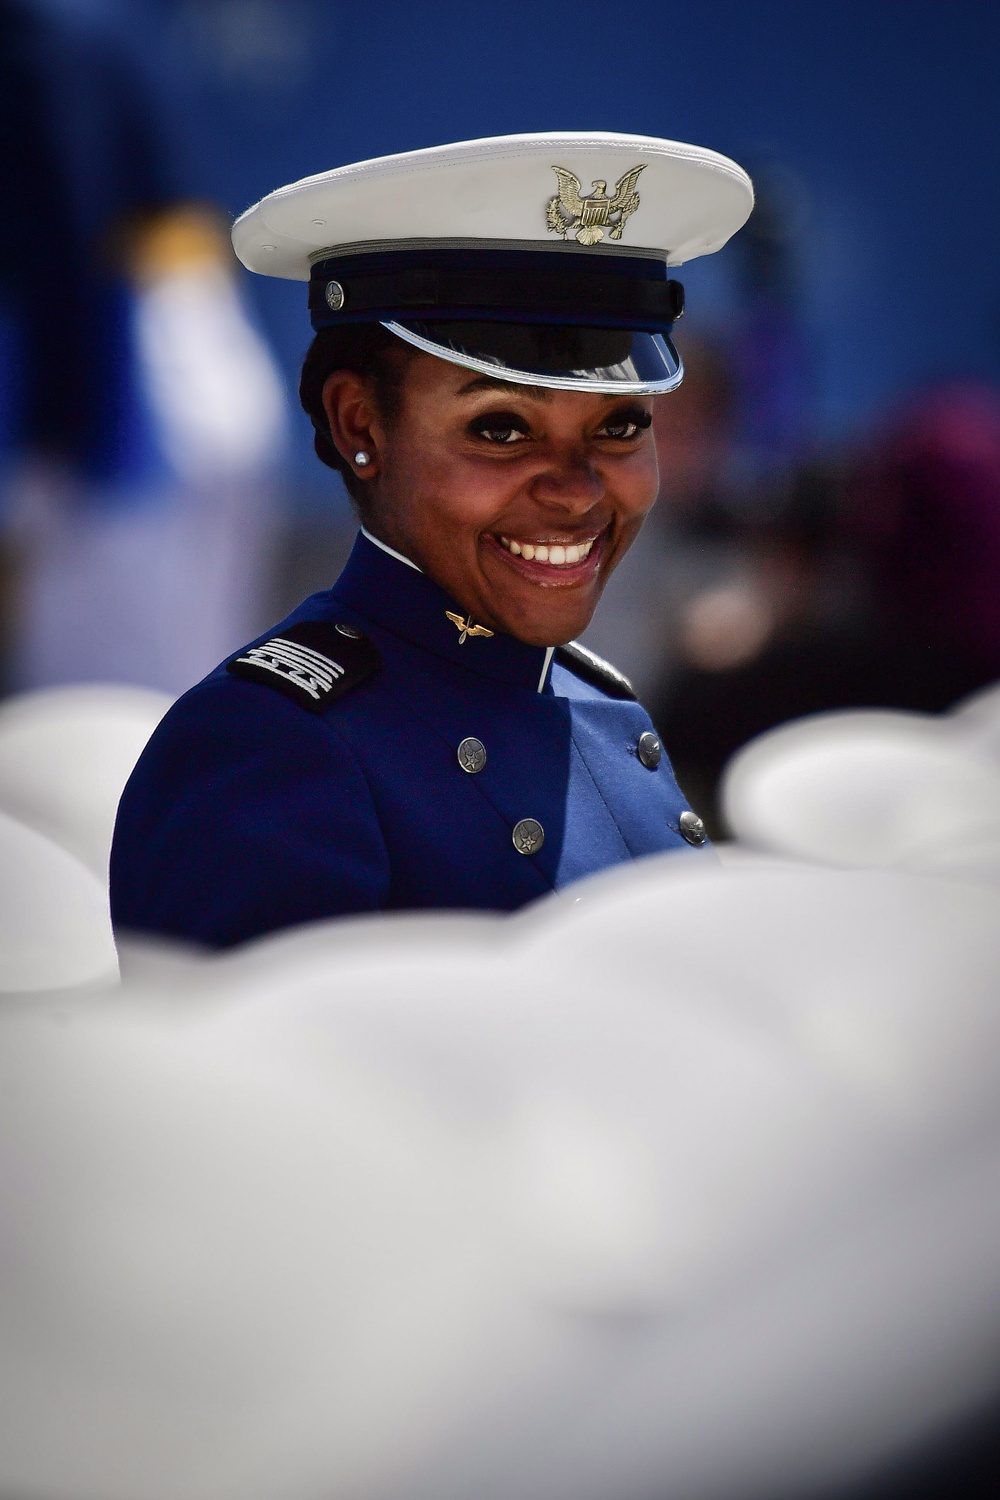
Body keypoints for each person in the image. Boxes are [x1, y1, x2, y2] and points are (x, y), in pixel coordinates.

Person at [110, 132, 753, 948]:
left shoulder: (600, 707)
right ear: (358, 425)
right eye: (501, 429)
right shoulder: (270, 746)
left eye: (620, 425)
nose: (578, 489)